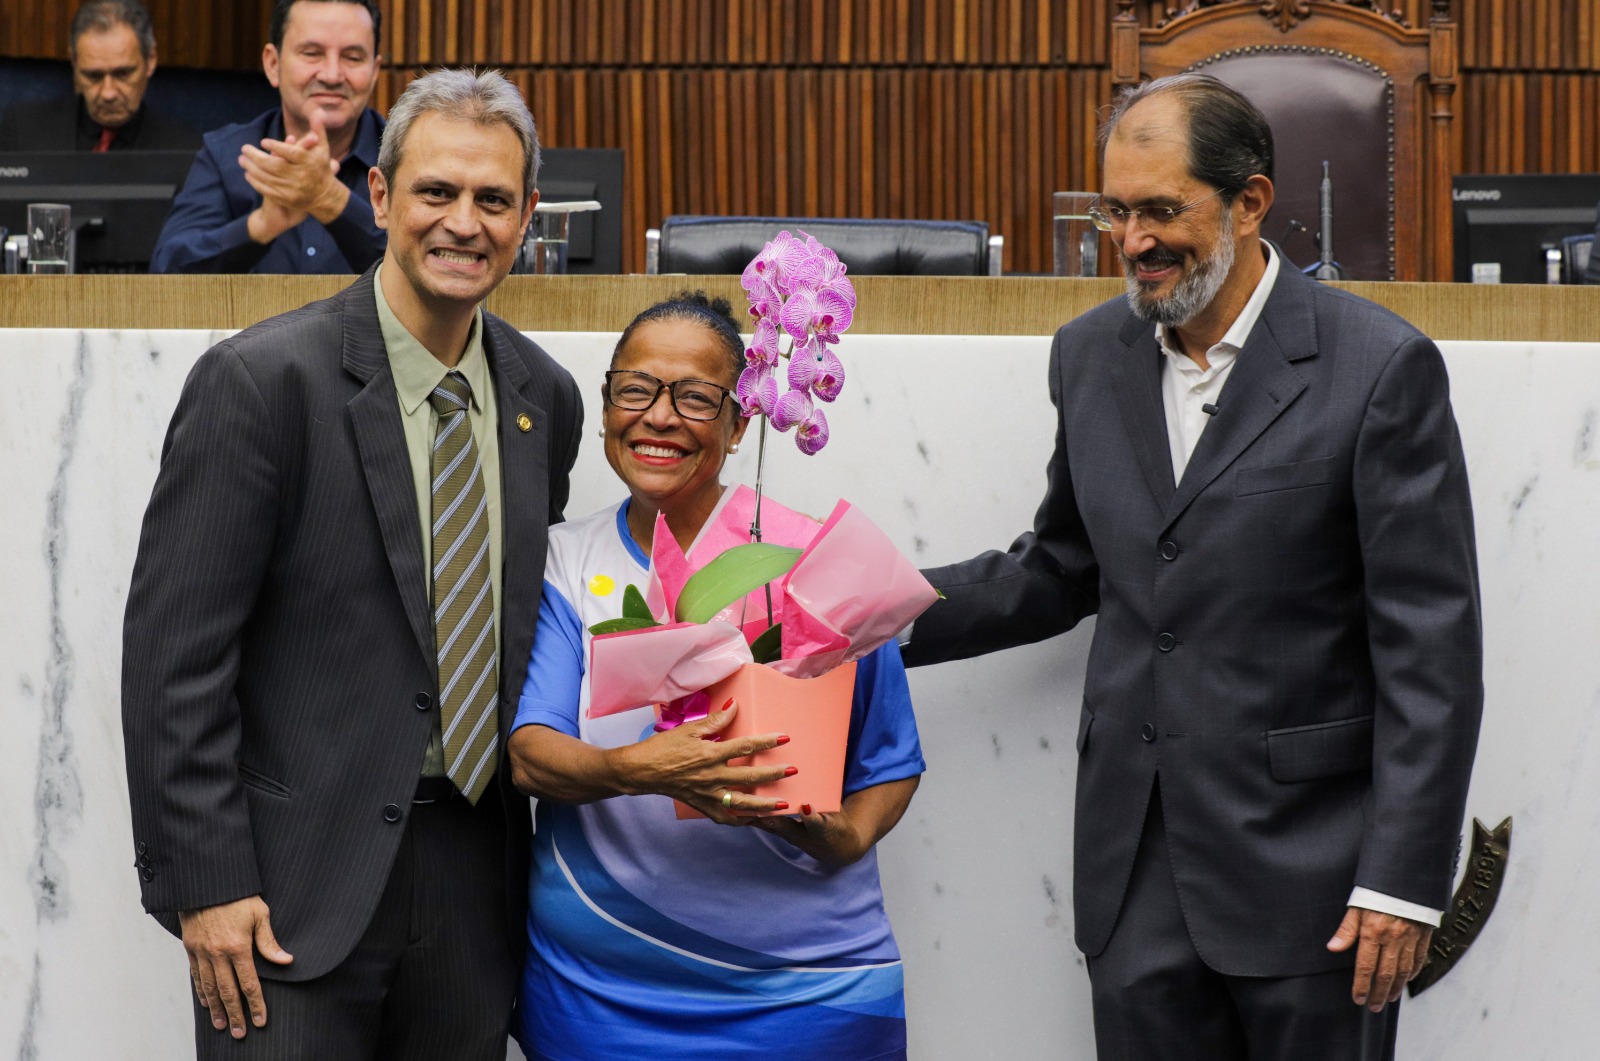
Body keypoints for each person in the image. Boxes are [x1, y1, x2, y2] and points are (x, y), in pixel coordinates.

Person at [902, 74, 1483, 1061]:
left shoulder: (1380, 369)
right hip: (1133, 882)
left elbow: (1430, 653)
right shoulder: (1088, 354)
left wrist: (1400, 878)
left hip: (1315, 885)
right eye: (1115, 210)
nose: (1131, 240)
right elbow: (1064, 565)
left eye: (1161, 209)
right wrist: (872, 611)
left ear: (1250, 201)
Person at [122, 68, 583, 1058]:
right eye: (436, 192)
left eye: (493, 199)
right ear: (378, 198)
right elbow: (174, 656)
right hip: (286, 896)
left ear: (528, 216)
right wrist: (205, 882)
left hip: (475, 891)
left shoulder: (545, 396)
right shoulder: (259, 383)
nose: (463, 222)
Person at [507, 292, 924, 1061]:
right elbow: (532, 752)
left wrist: (842, 835)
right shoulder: (561, 560)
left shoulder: (816, 562)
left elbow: (889, 763)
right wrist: (648, 770)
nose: (658, 417)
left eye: (696, 397)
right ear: (604, 409)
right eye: (635, 390)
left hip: (807, 994)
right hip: (601, 995)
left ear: (738, 425)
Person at [148, 0, 385, 274]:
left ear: (374, 71)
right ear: (273, 64)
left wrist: (330, 200)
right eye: (312, 53)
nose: (332, 75)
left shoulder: (406, 157)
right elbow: (165, 274)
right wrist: (259, 226)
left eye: (353, 58)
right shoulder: (228, 154)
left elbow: (432, 276)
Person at [0, 0, 197, 151]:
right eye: (93, 76)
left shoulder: (185, 150)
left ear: (151, 60)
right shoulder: (23, 130)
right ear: (74, 63)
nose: (108, 94)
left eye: (123, 74)